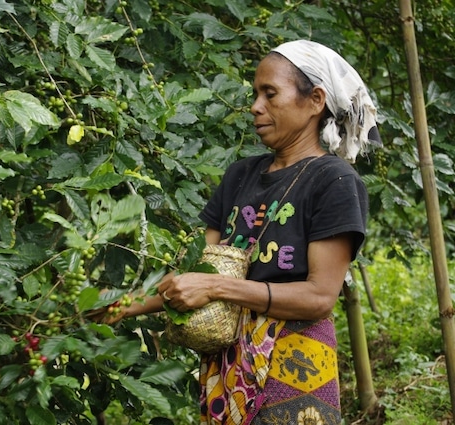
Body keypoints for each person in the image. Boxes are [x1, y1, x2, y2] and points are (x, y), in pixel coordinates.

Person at [93, 39, 380, 424]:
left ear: (314, 100)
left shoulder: (334, 181)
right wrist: (115, 306)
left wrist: (217, 289)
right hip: (227, 362)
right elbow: (193, 275)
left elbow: (319, 298)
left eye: (270, 93)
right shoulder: (241, 174)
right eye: (255, 94)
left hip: (294, 367)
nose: (256, 107)